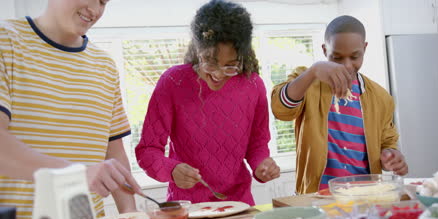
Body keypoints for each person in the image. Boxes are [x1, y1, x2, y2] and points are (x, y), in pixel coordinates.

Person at [0, 0, 142, 219]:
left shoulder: (105, 66)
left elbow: (113, 150)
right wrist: (75, 174)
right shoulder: (6, 41)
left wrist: (130, 212)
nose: (95, 11)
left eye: (103, 2)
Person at [135, 0, 280, 205]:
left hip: (239, 205)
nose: (219, 74)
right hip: (188, 209)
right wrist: (172, 170)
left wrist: (261, 165)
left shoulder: (253, 85)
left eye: (231, 66)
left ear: (242, 56)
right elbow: (147, 150)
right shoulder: (173, 82)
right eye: (210, 63)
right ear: (197, 50)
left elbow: (257, 144)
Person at [271, 15, 408, 194]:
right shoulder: (308, 82)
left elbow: (387, 142)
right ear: (324, 50)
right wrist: (313, 72)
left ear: (364, 49)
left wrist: (391, 156)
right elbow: (280, 109)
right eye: (336, 57)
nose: (346, 65)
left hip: (367, 195)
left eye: (354, 56)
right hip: (316, 198)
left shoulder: (381, 97)